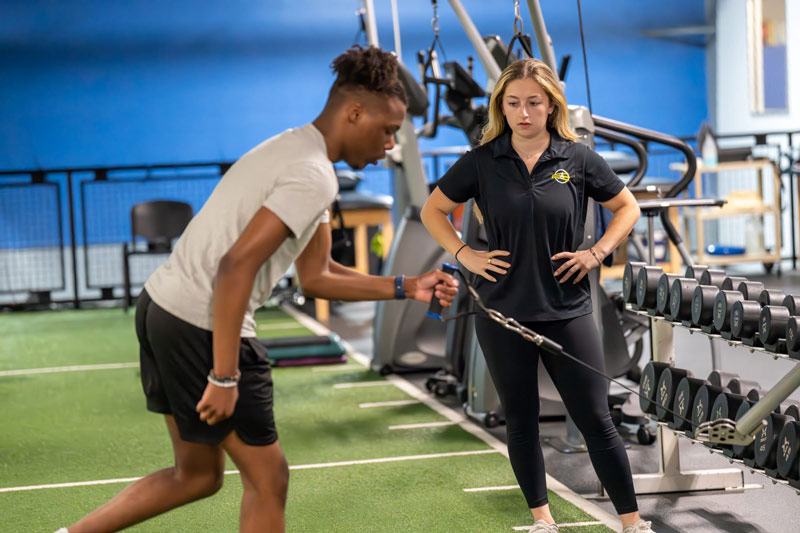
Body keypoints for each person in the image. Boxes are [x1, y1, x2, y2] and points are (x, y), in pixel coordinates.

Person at [57, 45, 458, 533]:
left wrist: (407, 285)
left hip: (161, 306)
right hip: (202, 323)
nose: (391, 145)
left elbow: (318, 276)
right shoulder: (313, 176)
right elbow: (235, 266)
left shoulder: (295, 149)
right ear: (355, 113)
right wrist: (224, 377)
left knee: (197, 476)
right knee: (269, 478)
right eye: (388, 130)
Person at [420, 58, 654, 533]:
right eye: (513, 103)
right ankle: (542, 521)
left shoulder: (578, 158)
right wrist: (465, 254)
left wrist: (598, 251)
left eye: (533, 102)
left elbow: (627, 206)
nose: (523, 112)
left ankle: (633, 524)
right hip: (502, 310)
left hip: (566, 309)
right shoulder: (483, 161)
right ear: (501, 108)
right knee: (521, 419)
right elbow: (433, 210)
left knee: (595, 417)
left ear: (551, 106)